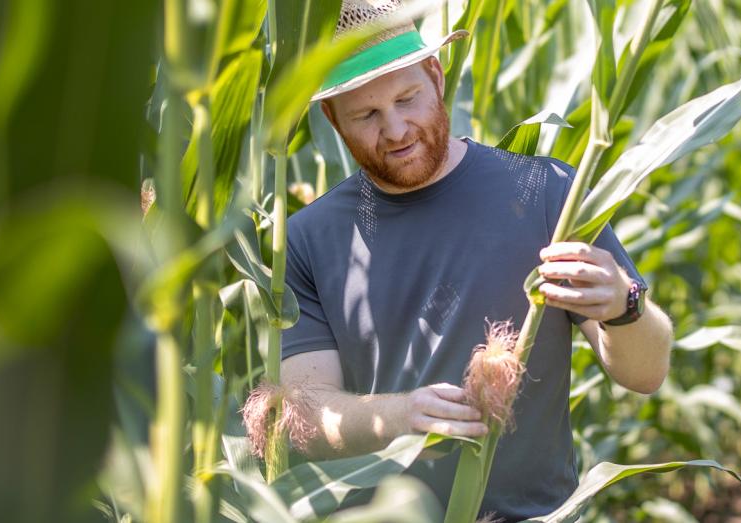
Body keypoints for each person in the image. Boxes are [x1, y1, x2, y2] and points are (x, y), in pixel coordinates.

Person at [276, 0, 675, 519]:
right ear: (331, 118)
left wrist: (625, 305)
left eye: (407, 98)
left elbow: (646, 374)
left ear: (437, 77)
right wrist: (402, 416)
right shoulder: (310, 238)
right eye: (367, 115)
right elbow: (306, 410)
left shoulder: (546, 193)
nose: (395, 130)